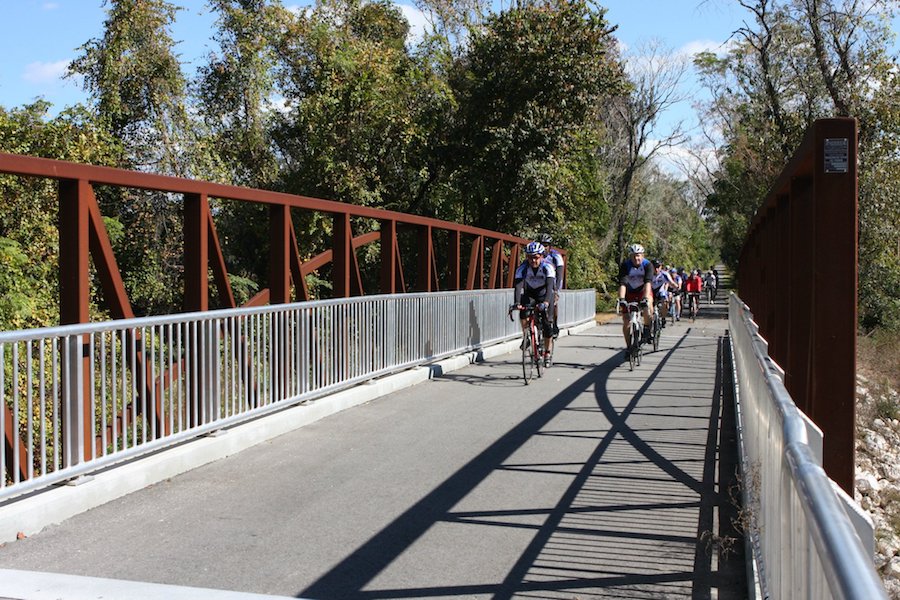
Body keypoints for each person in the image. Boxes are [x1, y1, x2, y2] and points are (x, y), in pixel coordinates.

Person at [514, 241, 556, 366]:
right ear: (527, 257)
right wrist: (516, 303)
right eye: (530, 257)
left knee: (547, 324)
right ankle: (526, 335)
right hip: (530, 293)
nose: (533, 260)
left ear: (541, 256)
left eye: (536, 257)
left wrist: (546, 302)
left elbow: (550, 287)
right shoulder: (522, 268)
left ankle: (547, 352)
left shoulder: (547, 267)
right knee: (523, 309)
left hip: (544, 294)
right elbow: (518, 287)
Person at [617, 243, 653, 349]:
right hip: (629, 292)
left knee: (648, 306)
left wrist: (645, 298)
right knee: (626, 321)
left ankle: (647, 329)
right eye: (633, 256)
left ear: (643, 255)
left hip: (643, 290)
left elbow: (648, 283)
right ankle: (629, 347)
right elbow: (623, 283)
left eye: (638, 255)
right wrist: (622, 299)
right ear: (630, 256)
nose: (636, 258)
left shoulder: (647, 265)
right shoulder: (626, 265)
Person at [538, 234, 565, 337]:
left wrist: (557, 290)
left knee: (553, 302)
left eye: (545, 245)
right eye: (541, 245)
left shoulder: (555, 256)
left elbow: (559, 274)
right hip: (540, 282)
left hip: (553, 282)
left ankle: (554, 324)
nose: (543, 247)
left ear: (549, 246)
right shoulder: (536, 255)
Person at [650, 259, 674, 327]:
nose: (656, 269)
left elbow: (671, 282)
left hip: (661, 291)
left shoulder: (664, 274)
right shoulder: (648, 274)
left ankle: (663, 318)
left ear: (661, 267)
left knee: (665, 302)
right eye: (654, 267)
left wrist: (677, 287)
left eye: (658, 267)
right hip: (651, 292)